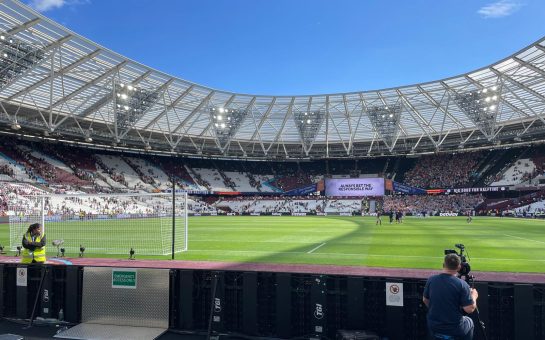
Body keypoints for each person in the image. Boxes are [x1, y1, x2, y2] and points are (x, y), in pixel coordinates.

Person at [423, 254, 478, 340]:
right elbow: (469, 309)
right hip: (454, 328)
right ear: (459, 267)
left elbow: (425, 300)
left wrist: (438, 310)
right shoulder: (462, 284)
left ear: (443, 265)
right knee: (469, 322)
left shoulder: (431, 280)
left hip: (434, 326)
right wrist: (474, 296)